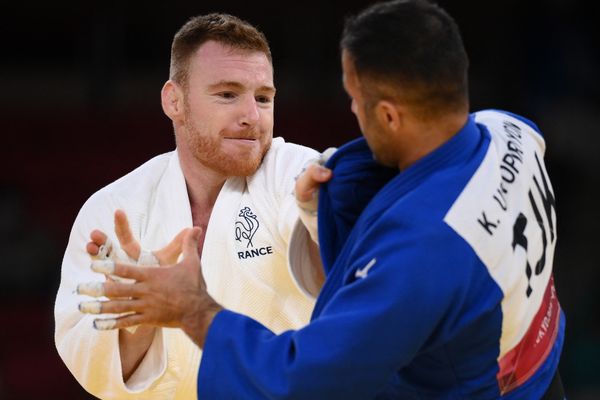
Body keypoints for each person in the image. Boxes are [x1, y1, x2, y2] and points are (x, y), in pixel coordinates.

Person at [78, 0, 566, 398]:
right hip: (541, 352)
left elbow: (303, 382)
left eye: (355, 99)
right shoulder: (511, 131)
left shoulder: (423, 255)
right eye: (228, 94)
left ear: (391, 116)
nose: (351, 109)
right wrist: (322, 212)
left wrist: (191, 309)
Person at [54, 13, 328, 399]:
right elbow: (92, 370)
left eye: (263, 98)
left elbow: (329, 231)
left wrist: (322, 212)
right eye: (227, 94)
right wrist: (141, 313)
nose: (252, 116)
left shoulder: (292, 173)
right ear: (175, 101)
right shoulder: (115, 208)